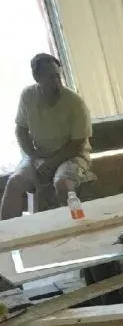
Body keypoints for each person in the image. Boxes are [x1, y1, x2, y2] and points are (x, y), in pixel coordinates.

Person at [1, 53, 94, 220]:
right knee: (15, 182)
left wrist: (50, 163)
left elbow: (78, 144)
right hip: (39, 153)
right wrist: (33, 155)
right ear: (37, 77)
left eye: (58, 76)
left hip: (71, 155)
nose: (56, 82)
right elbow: (21, 130)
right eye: (50, 77)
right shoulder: (28, 96)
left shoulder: (75, 103)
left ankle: (74, 228)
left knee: (62, 183)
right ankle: (6, 237)